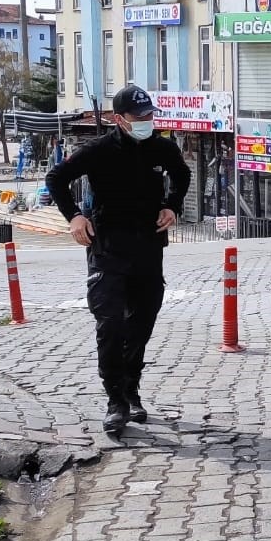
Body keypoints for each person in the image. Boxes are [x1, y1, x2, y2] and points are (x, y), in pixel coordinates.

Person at [46, 84, 191, 434]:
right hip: (108, 249)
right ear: (119, 119)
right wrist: (74, 217)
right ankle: (115, 400)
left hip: (148, 249)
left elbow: (182, 174)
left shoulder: (161, 147)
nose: (146, 121)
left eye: (150, 115)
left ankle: (130, 389)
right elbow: (56, 178)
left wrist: (172, 206)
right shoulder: (99, 150)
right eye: (138, 117)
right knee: (110, 324)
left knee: (141, 325)